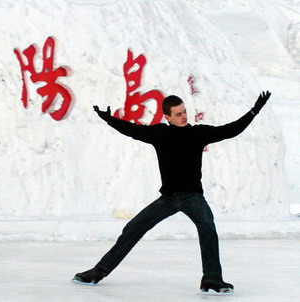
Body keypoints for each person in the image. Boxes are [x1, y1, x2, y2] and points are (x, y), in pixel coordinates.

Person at [73, 91, 271, 294]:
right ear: (167, 117)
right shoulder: (160, 134)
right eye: (178, 114)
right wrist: (109, 119)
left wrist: (254, 111)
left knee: (208, 229)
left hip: (192, 197)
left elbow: (230, 130)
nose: (184, 116)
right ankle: (98, 271)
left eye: (184, 111)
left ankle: (211, 279)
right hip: (167, 198)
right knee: (133, 228)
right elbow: (132, 130)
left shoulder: (198, 133)